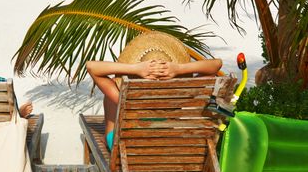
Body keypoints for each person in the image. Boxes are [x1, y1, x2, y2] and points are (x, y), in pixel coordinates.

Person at [85, 31, 222, 149]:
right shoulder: (181, 95)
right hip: (164, 147)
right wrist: (179, 69)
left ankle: (106, 136)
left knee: (110, 96)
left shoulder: (125, 100)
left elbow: (91, 67)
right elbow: (216, 65)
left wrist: (136, 69)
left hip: (128, 150)